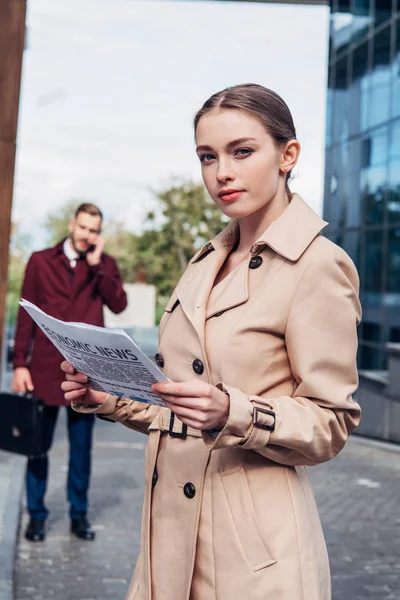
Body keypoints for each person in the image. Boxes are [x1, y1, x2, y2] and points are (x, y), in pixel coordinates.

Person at [61, 85, 361, 599]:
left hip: (253, 554)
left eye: (241, 151)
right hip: (167, 542)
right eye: (207, 156)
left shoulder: (318, 264)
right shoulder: (205, 262)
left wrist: (233, 411)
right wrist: (107, 398)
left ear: (288, 155)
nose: (221, 171)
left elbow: (331, 422)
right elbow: (179, 404)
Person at [13, 202, 128, 543]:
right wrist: (20, 363)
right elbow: (26, 317)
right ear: (71, 225)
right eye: (83, 228)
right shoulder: (40, 261)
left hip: (87, 374)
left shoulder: (103, 265)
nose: (87, 236)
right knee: (37, 448)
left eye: (94, 231)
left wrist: (97, 269)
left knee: (82, 450)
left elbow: (118, 304)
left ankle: (79, 515)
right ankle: (35, 516)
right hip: (44, 369)